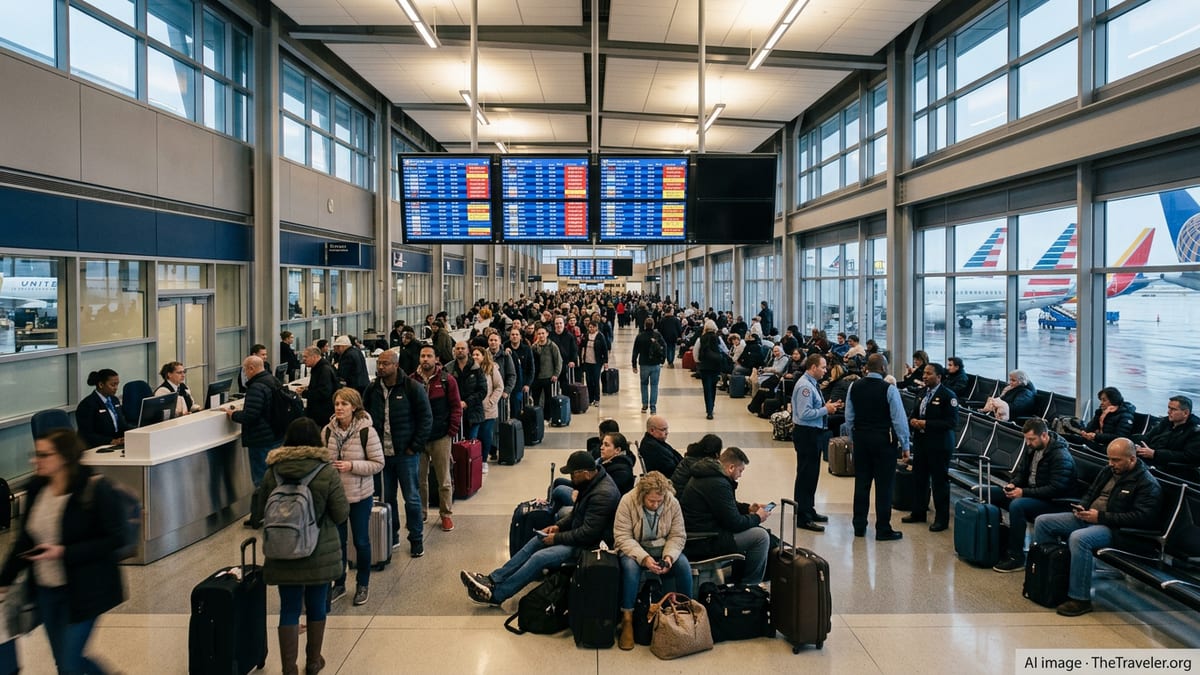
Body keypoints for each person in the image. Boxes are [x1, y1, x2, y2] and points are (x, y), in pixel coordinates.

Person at [0, 429, 125, 674]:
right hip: (47, 590)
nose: (36, 460)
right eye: (35, 454)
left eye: (44, 455)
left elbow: (114, 539)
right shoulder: (37, 488)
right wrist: (4, 579)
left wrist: (63, 552)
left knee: (70, 663)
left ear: (64, 458)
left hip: (85, 589)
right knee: (65, 661)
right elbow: (26, 539)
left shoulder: (94, 489)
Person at [251, 418, 348, 675]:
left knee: (289, 608)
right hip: (318, 551)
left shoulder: (273, 470)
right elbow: (340, 513)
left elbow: (259, 509)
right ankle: (314, 661)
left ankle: (289, 668)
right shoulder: (325, 470)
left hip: (283, 550)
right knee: (317, 605)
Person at [460, 451, 620, 606]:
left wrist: (556, 539)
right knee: (538, 539)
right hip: (580, 536)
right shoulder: (591, 483)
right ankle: (493, 579)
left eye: (573, 474)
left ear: (585, 473)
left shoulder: (602, 495)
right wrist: (558, 526)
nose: (571, 478)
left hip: (590, 546)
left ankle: (497, 595)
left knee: (540, 558)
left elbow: (588, 534)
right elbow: (577, 513)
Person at [1031, 438, 1163, 617]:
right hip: (1090, 518)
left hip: (1117, 530)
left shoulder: (1147, 483)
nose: (1111, 464)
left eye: (1116, 460)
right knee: (1043, 522)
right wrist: (1083, 507)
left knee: (1079, 538)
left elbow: (1142, 518)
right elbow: (1091, 493)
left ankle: (1080, 598)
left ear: (1132, 459)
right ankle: (1051, 579)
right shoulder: (1108, 471)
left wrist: (1100, 517)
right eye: (1109, 459)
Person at [364, 349, 432, 558]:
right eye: (379, 363)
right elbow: (365, 417)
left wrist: (415, 446)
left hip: (406, 453)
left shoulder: (412, 387)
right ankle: (391, 535)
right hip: (381, 456)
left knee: (411, 497)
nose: (381, 367)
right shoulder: (373, 389)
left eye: (385, 363)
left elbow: (426, 418)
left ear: (396, 365)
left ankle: (416, 539)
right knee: (387, 497)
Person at [613, 471, 691, 651]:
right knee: (631, 570)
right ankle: (627, 619)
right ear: (642, 496)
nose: (656, 505)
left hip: (663, 548)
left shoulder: (671, 501)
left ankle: (686, 613)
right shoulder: (627, 501)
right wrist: (644, 558)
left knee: (683, 566)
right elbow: (622, 537)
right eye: (651, 501)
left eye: (659, 501)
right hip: (634, 547)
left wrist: (669, 557)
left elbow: (678, 535)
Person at [989, 418, 1077, 572]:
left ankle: (1016, 556)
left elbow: (1056, 488)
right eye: (1026, 439)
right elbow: (1021, 473)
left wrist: (1023, 492)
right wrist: (1013, 484)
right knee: (990, 493)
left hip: (1054, 502)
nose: (1028, 443)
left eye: (1031, 439)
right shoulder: (1032, 449)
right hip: (1033, 494)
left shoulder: (1060, 456)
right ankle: (997, 545)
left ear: (1044, 435)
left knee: (1018, 505)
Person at [322, 388, 384, 607]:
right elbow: (322, 459)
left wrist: (352, 466)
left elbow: (378, 463)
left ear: (354, 407)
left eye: (344, 404)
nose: (339, 408)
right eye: (337, 404)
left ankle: (362, 584)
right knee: (338, 542)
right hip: (336, 496)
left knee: (361, 541)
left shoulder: (367, 432)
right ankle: (339, 583)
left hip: (360, 495)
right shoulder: (328, 431)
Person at [679, 447, 771, 584]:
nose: (740, 475)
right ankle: (750, 584)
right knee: (761, 537)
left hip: (701, 532)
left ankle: (741, 579)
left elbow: (725, 506)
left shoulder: (708, 475)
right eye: (740, 471)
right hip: (705, 539)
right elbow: (735, 523)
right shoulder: (718, 483)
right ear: (731, 467)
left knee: (756, 531)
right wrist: (758, 517)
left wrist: (748, 509)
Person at [845, 354, 910, 541]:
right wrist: (905, 445)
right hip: (883, 441)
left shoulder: (854, 386)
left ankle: (859, 526)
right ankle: (883, 528)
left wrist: (852, 438)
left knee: (861, 484)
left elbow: (849, 417)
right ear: (882, 368)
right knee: (884, 487)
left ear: (867, 368)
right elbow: (899, 420)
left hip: (861, 440)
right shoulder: (889, 389)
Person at [903, 363, 959, 533]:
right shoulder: (922, 393)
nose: (925, 376)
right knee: (919, 478)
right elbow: (915, 413)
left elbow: (951, 423)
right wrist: (912, 421)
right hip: (921, 442)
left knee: (939, 482)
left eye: (928, 374)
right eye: (924, 373)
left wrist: (926, 424)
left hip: (939, 445)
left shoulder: (947, 396)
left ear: (939, 377)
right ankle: (918, 512)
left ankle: (941, 519)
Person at [412, 345, 463, 532]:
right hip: (419, 438)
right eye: (422, 355)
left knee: (444, 479)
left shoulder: (447, 380)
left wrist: (452, 430)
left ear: (436, 359)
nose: (425, 359)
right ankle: (422, 512)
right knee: (419, 479)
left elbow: (456, 407)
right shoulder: (412, 381)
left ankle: (446, 515)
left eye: (429, 356)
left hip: (441, 436)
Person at [791, 354, 840, 533]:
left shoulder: (811, 384)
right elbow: (804, 413)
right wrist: (825, 410)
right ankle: (803, 516)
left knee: (812, 474)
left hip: (813, 433)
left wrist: (827, 406)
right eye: (823, 367)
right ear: (813, 367)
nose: (825, 370)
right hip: (807, 434)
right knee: (806, 475)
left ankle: (809, 509)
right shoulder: (805, 386)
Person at [227, 355, 283, 497]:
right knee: (275, 477)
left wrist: (233, 414)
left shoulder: (256, 387)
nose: (244, 373)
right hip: (276, 434)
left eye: (245, 370)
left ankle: (264, 514)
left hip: (261, 440)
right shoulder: (272, 380)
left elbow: (250, 416)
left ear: (251, 368)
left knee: (262, 481)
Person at [1135, 396, 1200, 467]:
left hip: (1170, 467)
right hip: (1150, 458)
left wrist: (1155, 454)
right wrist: (1137, 445)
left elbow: (1188, 457)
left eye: (1173, 409)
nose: (1168, 412)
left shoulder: (1195, 431)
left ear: (1186, 413)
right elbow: (1147, 437)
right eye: (1169, 408)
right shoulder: (1165, 422)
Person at [76, 368, 130, 449]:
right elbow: (87, 434)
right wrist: (111, 441)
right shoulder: (87, 404)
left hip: (117, 444)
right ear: (101, 385)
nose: (116, 388)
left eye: (117, 384)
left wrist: (137, 431)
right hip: (98, 447)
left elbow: (122, 425)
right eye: (112, 385)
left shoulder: (114, 400)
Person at [474, 346, 505, 465]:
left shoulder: (491, 368)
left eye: (477, 355)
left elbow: (499, 386)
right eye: (473, 355)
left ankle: (483, 460)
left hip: (488, 409)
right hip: (475, 409)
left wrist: (491, 401)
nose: (475, 357)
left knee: (486, 434)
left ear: (483, 356)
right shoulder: (471, 369)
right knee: (475, 435)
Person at [297, 346, 339, 427]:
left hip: (322, 414)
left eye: (306, 356)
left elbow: (324, 392)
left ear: (315, 357)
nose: (303, 359)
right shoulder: (319, 368)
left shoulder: (324, 370)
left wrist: (304, 393)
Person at [632, 317, 667, 414]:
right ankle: (653, 407)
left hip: (643, 364)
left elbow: (635, 351)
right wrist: (663, 359)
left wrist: (634, 364)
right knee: (654, 385)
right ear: (653, 325)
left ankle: (644, 405)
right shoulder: (657, 335)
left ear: (644, 325)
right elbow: (664, 346)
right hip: (655, 364)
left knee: (644, 384)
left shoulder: (640, 336)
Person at [695, 320, 724, 420]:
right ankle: (712, 406)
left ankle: (709, 410)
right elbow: (724, 350)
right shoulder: (718, 338)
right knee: (713, 387)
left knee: (706, 388)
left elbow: (696, 352)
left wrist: (699, 362)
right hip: (715, 366)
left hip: (704, 367)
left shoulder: (701, 339)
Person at [529, 326, 562, 409]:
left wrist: (556, 374)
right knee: (536, 399)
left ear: (547, 334)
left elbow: (559, 361)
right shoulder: (534, 347)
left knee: (548, 399)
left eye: (543, 333)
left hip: (548, 377)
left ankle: (547, 417)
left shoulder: (552, 346)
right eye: (539, 334)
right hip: (537, 378)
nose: (541, 335)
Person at [504, 327, 534, 417]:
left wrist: (528, 384)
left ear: (520, 337)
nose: (514, 336)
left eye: (517, 335)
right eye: (512, 334)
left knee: (518, 407)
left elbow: (531, 368)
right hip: (507, 383)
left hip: (521, 384)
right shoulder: (504, 347)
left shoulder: (526, 349)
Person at [579, 320, 609, 406]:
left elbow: (604, 349)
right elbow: (582, 346)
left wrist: (605, 361)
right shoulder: (586, 335)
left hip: (597, 362)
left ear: (596, 327)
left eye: (592, 327)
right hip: (587, 361)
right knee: (588, 380)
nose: (591, 329)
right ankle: (590, 398)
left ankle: (597, 399)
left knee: (596, 380)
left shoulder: (600, 336)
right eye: (590, 327)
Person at [548, 316, 579, 384]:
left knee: (565, 385)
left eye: (560, 323)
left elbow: (574, 349)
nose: (558, 325)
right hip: (553, 364)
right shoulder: (550, 335)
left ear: (564, 324)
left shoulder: (570, 336)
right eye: (556, 323)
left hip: (566, 364)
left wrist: (572, 360)